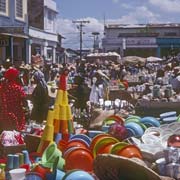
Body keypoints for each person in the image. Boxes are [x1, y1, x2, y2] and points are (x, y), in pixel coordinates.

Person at [0, 68, 27, 132]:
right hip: (16, 115)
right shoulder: (17, 88)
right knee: (15, 134)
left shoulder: (2, 87)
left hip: (4, 115)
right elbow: (24, 102)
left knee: (5, 134)